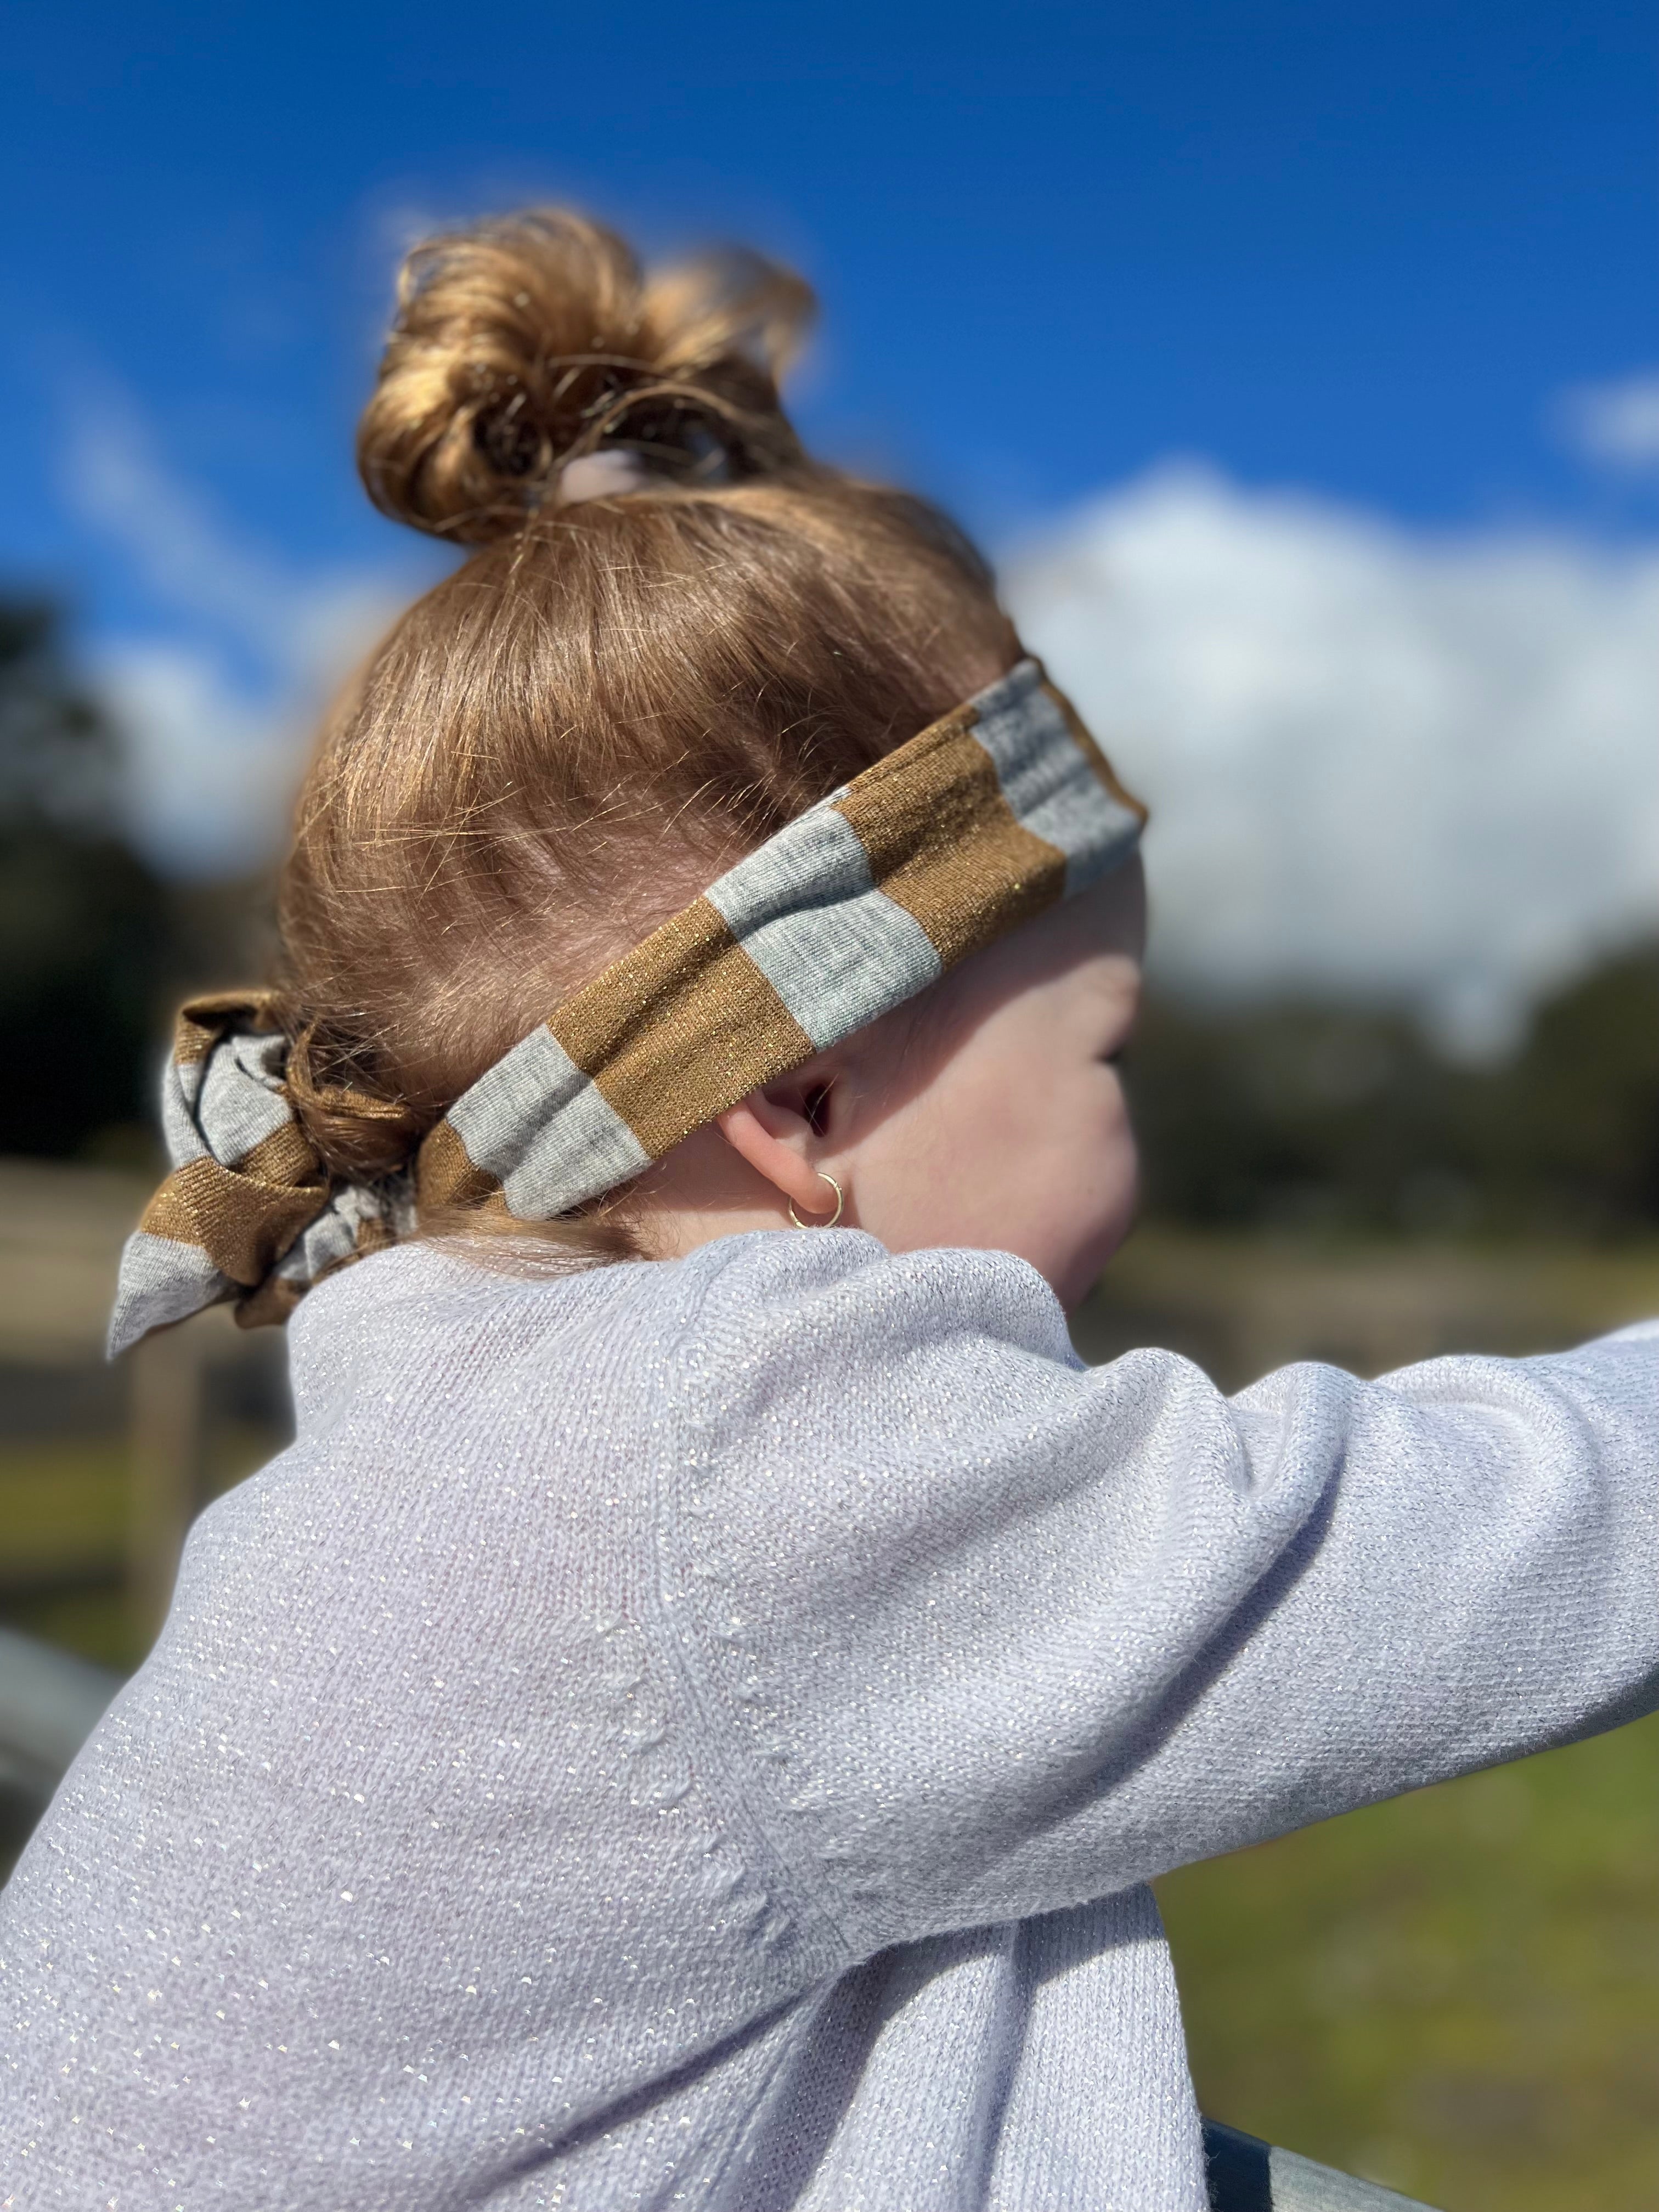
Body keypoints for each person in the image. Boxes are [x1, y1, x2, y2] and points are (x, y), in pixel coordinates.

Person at [2, 208, 1655, 2212]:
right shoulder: (726, 1467)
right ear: (804, 1094)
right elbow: (1481, 1545)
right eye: (1105, 1054)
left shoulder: (467, 1438)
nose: (1135, 1147)